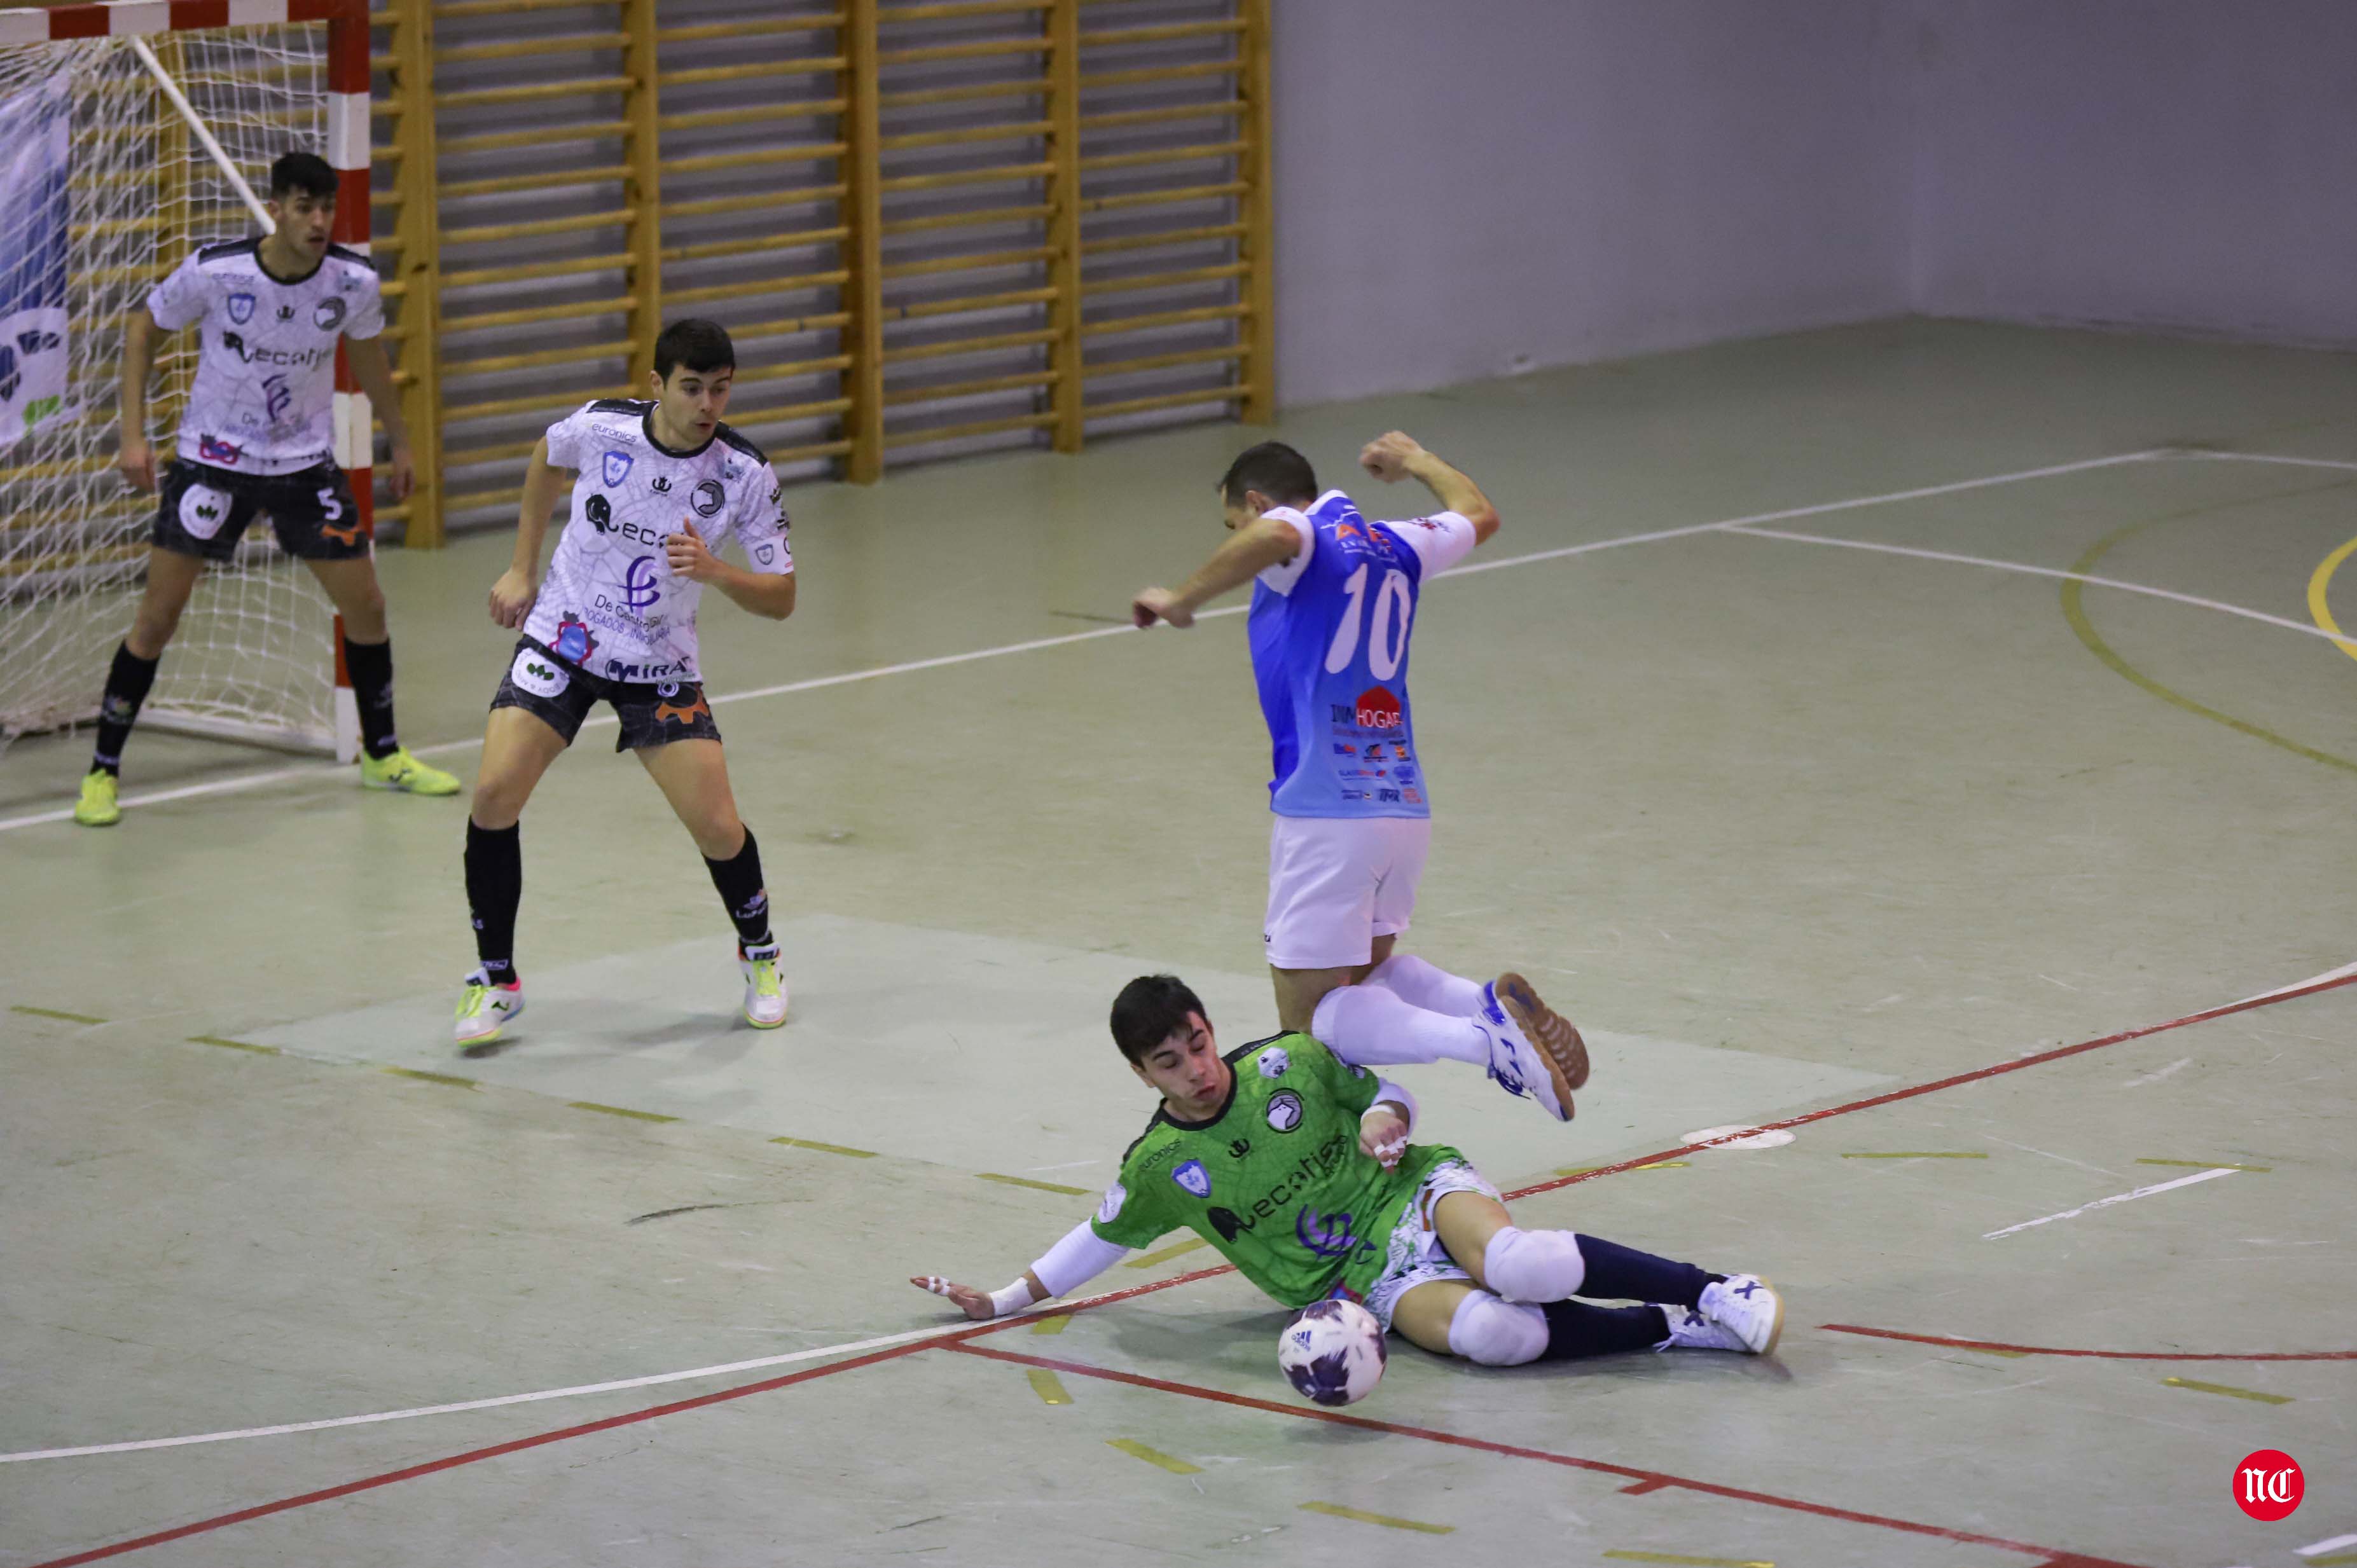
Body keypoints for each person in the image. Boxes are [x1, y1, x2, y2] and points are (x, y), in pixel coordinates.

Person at [914, 975, 1783, 1370]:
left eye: (1199, 1044)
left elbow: (1383, 1091)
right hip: (1367, 1278)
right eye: (1169, 1062)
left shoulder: (1288, 1062)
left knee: (1522, 1266)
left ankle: (1710, 1289)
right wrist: (1001, 1300)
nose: (1196, 1069)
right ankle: (1664, 1327)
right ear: (1143, 1075)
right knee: (1498, 1338)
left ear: (1211, 1028)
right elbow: (1095, 1238)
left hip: (1414, 1196)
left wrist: (1385, 1116)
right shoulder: (1162, 1164)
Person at [1128, 435, 1588, 1121]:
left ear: (1254, 504)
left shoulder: (1299, 533)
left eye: (1234, 523)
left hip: (1326, 812)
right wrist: (1417, 462)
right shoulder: (1393, 542)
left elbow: (1276, 536)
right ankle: (1481, 1005)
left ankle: (1483, 1041)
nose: (1241, 537)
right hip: (1401, 805)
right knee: (1365, 983)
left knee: (1311, 1028)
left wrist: (1183, 597)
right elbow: (1479, 514)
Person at [77, 151, 455, 826]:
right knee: (158, 619)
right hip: (212, 461)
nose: (318, 221)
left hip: (304, 465)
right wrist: (132, 436)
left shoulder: (352, 279)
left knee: (366, 607)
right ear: (275, 209)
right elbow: (142, 331)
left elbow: (367, 353)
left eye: (326, 208)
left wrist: (398, 439)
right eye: (304, 207)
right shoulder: (215, 272)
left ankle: (384, 754)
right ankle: (102, 771)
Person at [453, 318, 796, 1045]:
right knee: (492, 796)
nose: (708, 405)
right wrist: (522, 565)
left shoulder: (744, 474)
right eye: (692, 388)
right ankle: (495, 979)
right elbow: (547, 455)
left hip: (658, 663)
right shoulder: (604, 428)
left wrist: (715, 571)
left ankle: (761, 954)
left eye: (721, 390)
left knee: (717, 826)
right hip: (567, 633)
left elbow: (781, 596)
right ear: (657, 386)